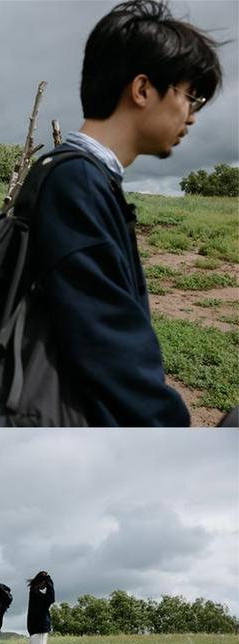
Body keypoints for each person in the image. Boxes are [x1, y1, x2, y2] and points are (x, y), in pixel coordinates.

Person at [18, 0, 223, 426]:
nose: (193, 117)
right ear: (143, 89)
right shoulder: (77, 184)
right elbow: (104, 349)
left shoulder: (78, 175)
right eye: (191, 96)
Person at [26, 571, 55, 644]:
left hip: (35, 626)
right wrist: (50, 584)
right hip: (40, 626)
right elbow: (51, 599)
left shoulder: (33, 592)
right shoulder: (36, 594)